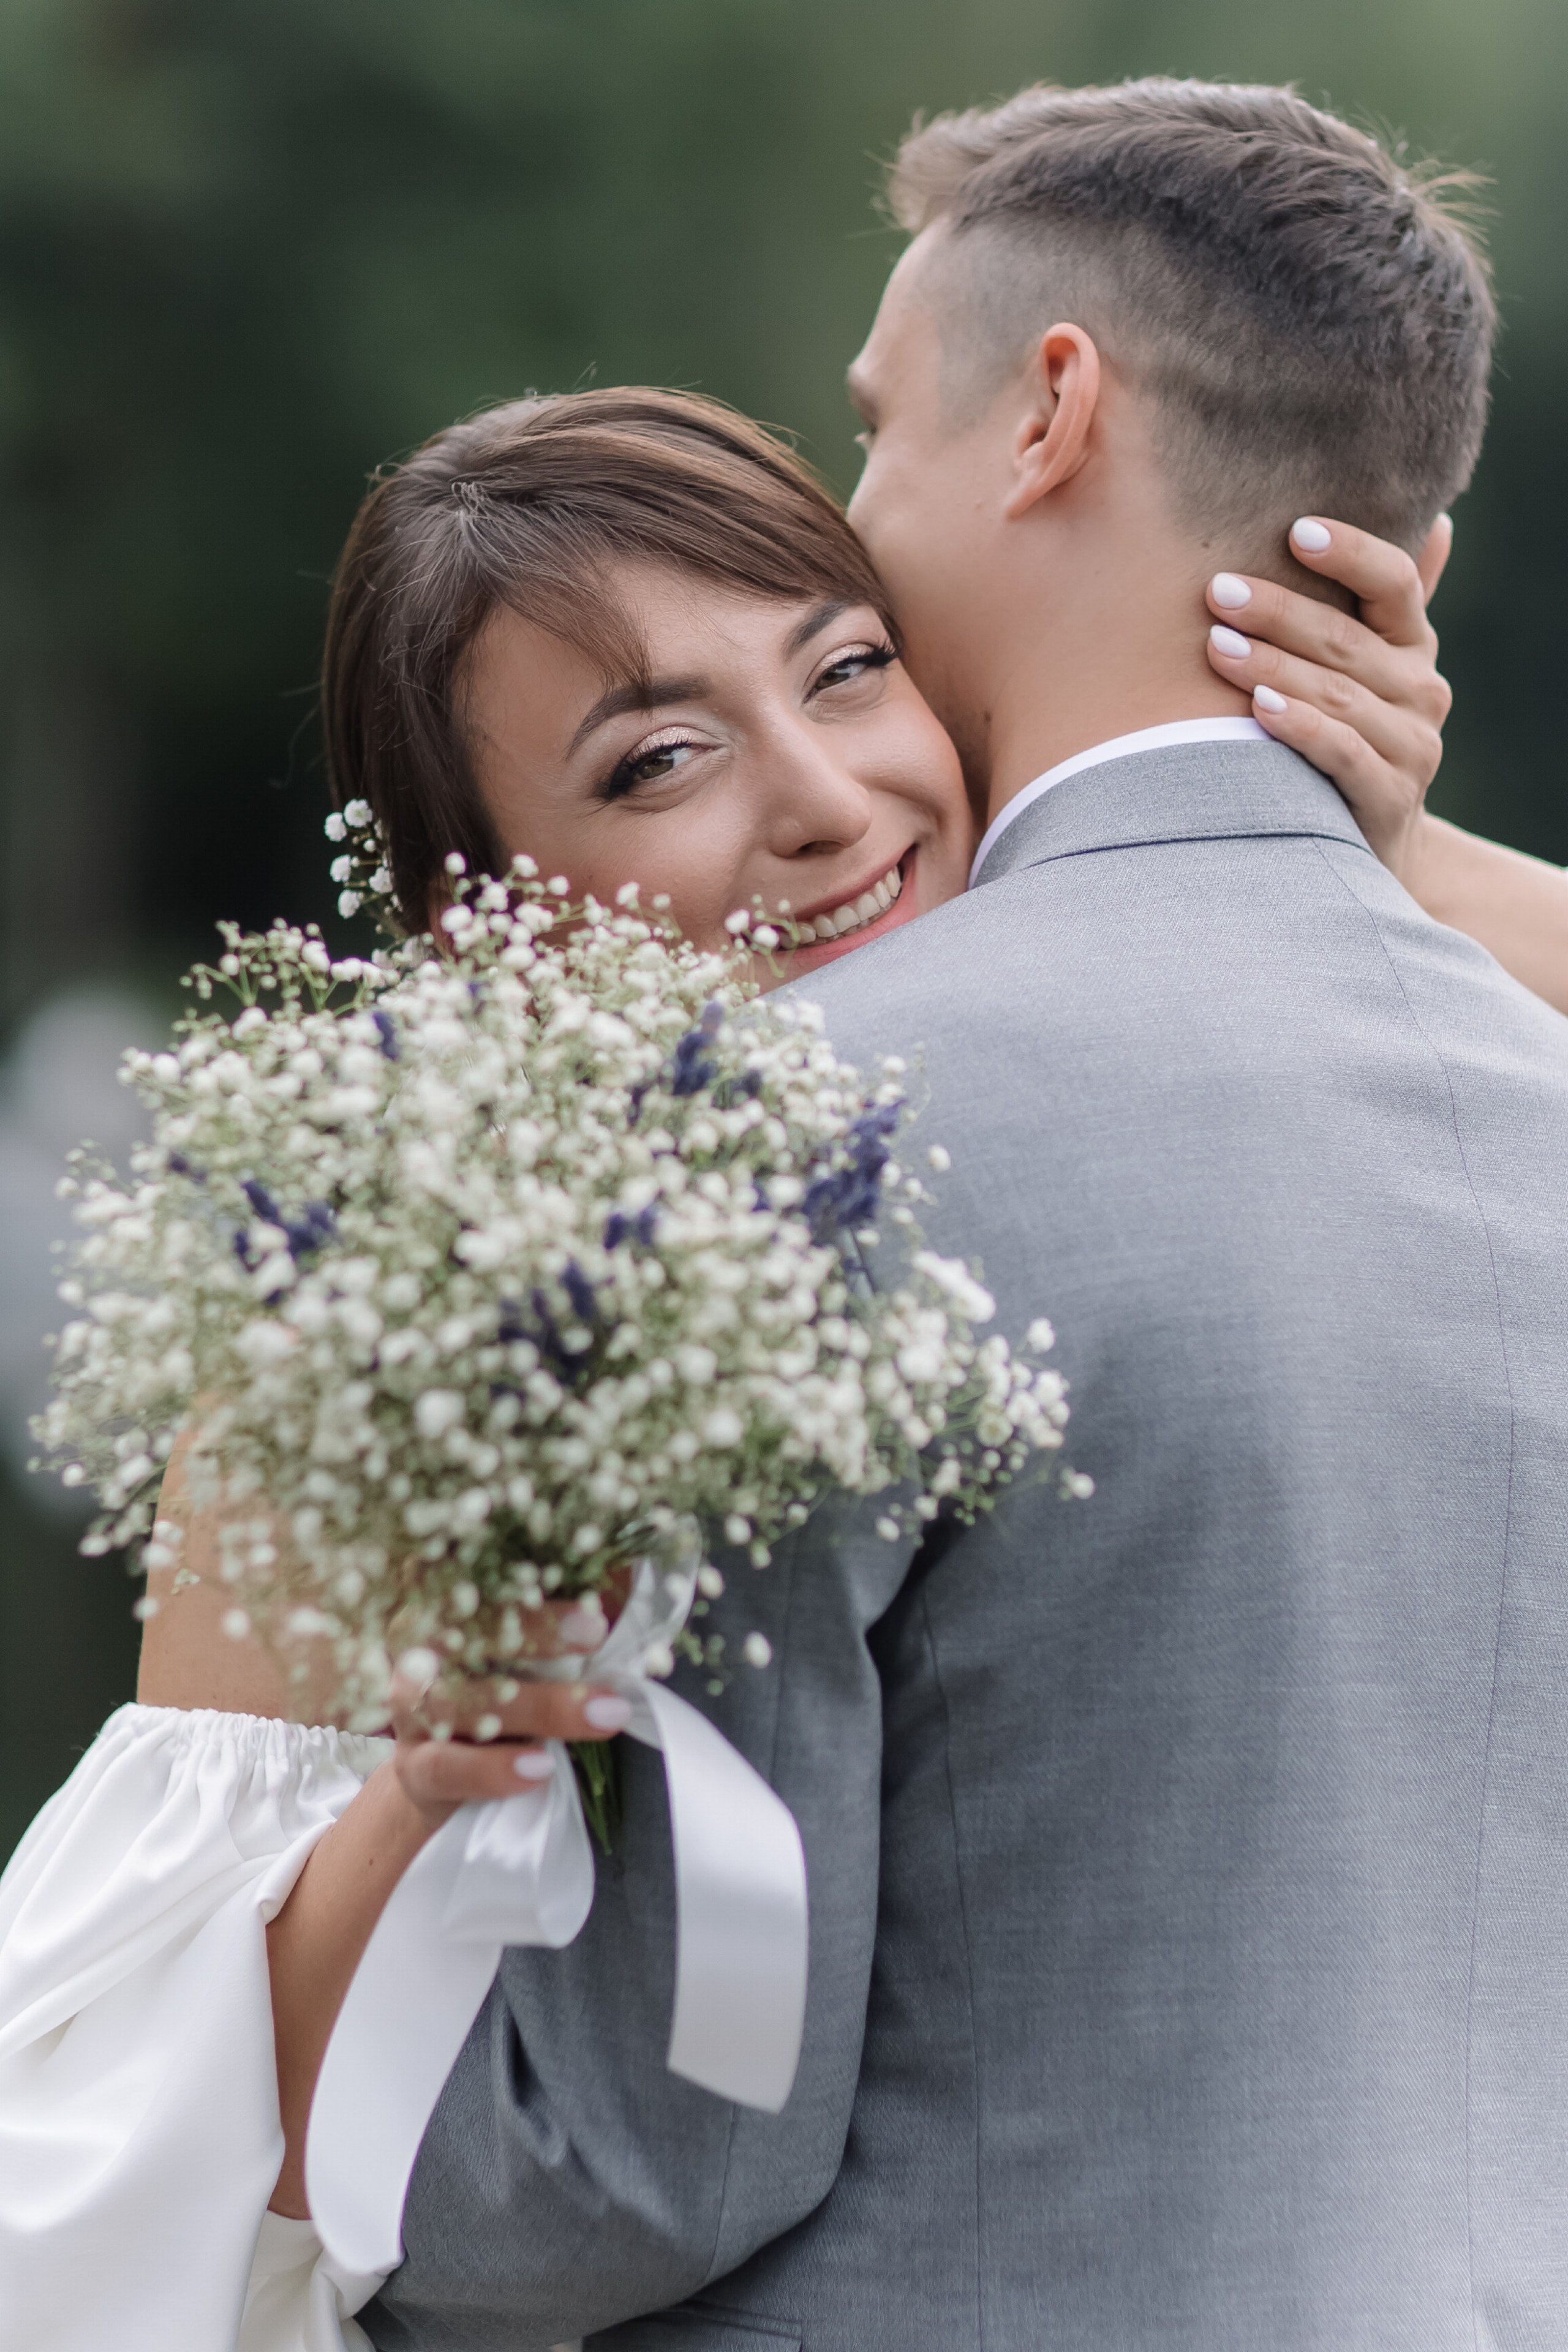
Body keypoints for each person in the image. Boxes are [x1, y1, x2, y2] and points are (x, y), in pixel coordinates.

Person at [0, 77, 1556, 2352]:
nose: (830, 796)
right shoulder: (536, 1286)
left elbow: (626, 2166)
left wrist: (1363, 830)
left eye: (847, 654)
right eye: (656, 759)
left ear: (1049, 414)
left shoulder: (788, 1166)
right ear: (481, 925)